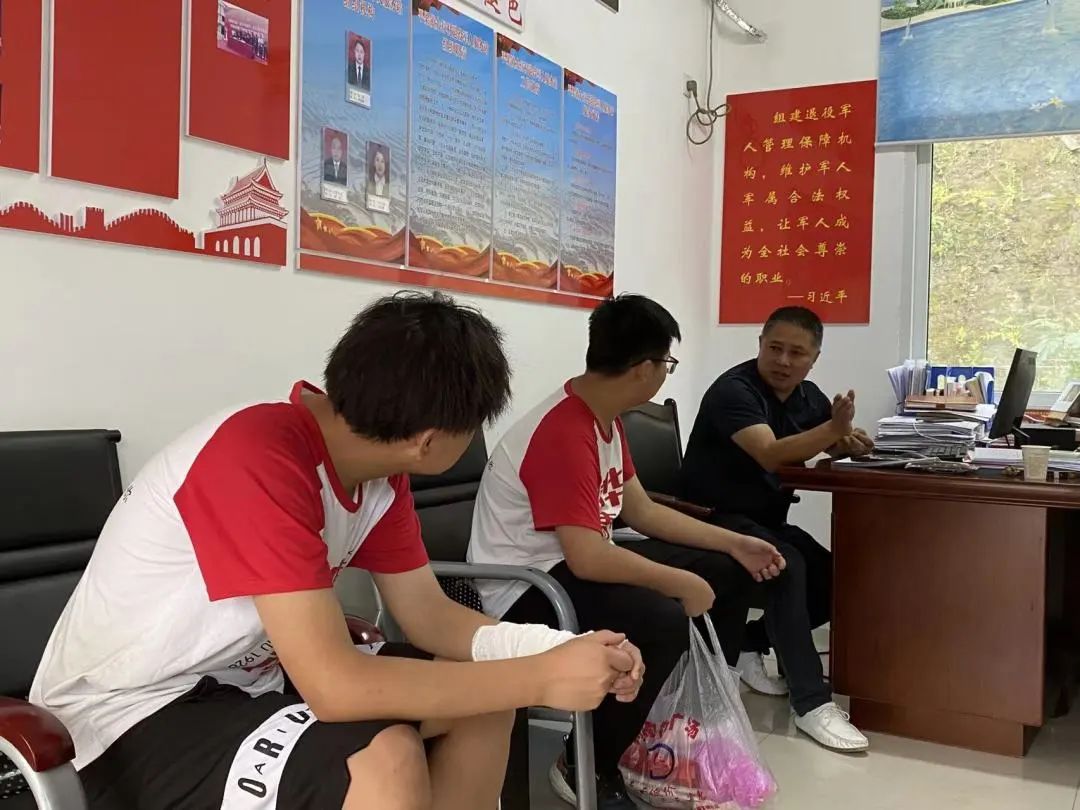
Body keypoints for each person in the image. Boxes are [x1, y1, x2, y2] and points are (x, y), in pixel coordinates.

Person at [30, 292, 645, 810]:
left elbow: (429, 615)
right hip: (127, 717)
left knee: (485, 700)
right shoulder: (255, 456)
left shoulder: (378, 473)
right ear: (430, 442)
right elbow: (335, 688)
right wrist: (541, 676)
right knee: (383, 755)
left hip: (250, 683)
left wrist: (553, 649)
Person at [467, 294, 786, 808]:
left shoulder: (605, 419)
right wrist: (678, 582)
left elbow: (641, 512)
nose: (665, 374)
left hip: (569, 567)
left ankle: (682, 727)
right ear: (644, 368)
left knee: (724, 571)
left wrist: (736, 543)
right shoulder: (562, 431)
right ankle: (586, 762)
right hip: (526, 587)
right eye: (666, 363)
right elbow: (587, 557)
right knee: (660, 618)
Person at [681, 305, 874, 752]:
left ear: (814, 359)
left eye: (797, 353)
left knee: (837, 579)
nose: (783, 361)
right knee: (786, 566)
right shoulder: (734, 390)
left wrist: (849, 442)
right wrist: (832, 429)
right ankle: (812, 703)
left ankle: (750, 643)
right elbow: (769, 453)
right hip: (711, 518)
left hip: (765, 519)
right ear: (760, 345)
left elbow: (828, 439)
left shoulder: (808, 397)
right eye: (775, 348)